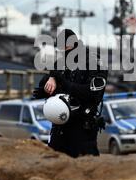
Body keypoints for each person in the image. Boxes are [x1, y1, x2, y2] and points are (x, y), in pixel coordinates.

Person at [33, 29, 108, 158]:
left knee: (85, 169)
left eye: (65, 49)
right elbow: (47, 82)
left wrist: (63, 82)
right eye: (61, 50)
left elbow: (91, 93)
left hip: (82, 127)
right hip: (60, 126)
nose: (63, 53)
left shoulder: (94, 63)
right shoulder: (62, 63)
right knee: (54, 165)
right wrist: (47, 87)